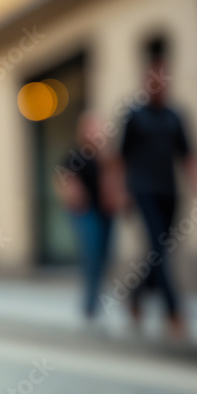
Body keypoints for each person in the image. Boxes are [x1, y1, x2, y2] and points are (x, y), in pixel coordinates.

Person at [117, 49, 197, 339]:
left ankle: (135, 295)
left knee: (160, 253)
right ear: (146, 80)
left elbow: (188, 155)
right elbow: (120, 159)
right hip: (142, 191)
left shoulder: (175, 116)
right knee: (158, 250)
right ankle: (174, 313)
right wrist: (120, 191)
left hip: (169, 193)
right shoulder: (134, 116)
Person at [55, 113, 117, 322]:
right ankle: (90, 307)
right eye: (91, 129)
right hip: (84, 213)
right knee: (91, 254)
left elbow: (117, 179)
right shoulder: (76, 155)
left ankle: (94, 303)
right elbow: (61, 180)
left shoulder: (106, 157)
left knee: (104, 257)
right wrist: (72, 192)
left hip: (105, 212)